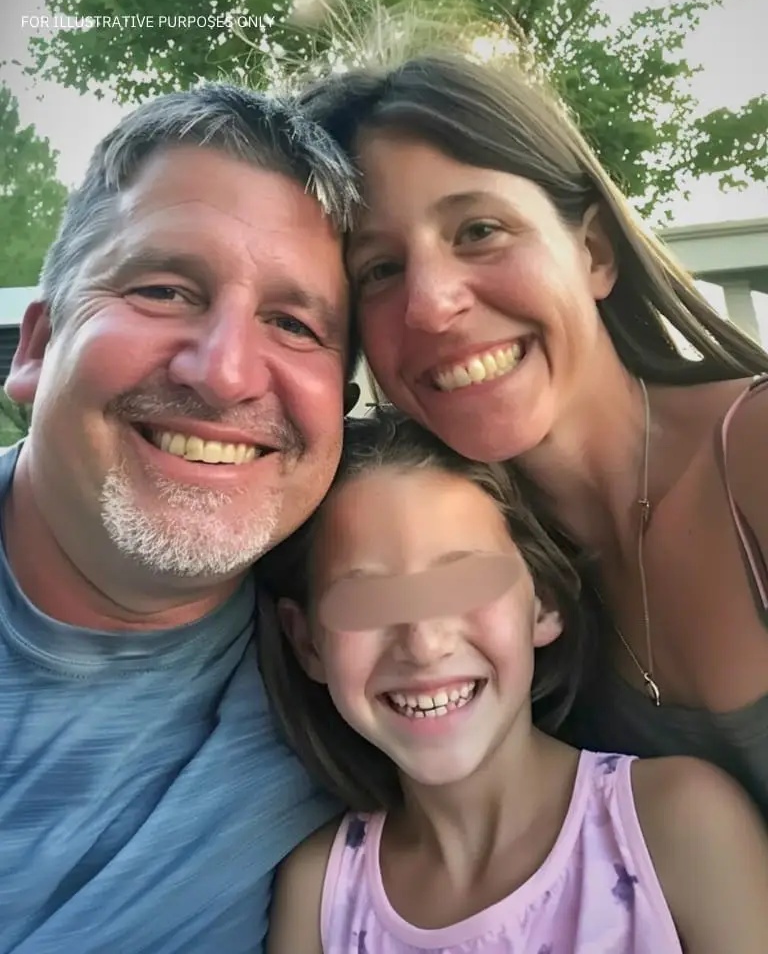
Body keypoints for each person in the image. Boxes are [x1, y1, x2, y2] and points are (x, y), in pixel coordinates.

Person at [298, 51, 768, 817]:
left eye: (479, 230)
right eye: (378, 270)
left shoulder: (754, 454)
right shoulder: (470, 577)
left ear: (594, 253)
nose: (430, 304)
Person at [0, 84, 361, 953]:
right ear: (38, 348)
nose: (226, 373)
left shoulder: (374, 678)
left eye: (293, 324)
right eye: (163, 290)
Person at [261, 409, 768, 954]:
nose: (424, 644)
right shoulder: (318, 894)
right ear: (308, 643)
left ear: (543, 603)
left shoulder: (679, 824)